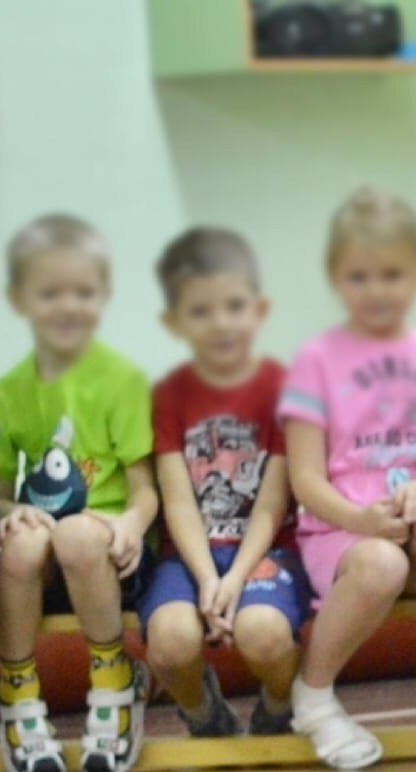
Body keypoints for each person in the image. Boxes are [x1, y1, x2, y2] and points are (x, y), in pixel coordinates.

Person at [278, 189, 416, 769]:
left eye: (391, 275)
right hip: (341, 531)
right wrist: (359, 520)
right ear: (336, 277)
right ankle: (314, 697)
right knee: (381, 562)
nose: (376, 290)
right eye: (359, 277)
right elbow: (304, 478)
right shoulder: (315, 361)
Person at [0, 213, 155, 772]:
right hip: (42, 562)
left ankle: (113, 677)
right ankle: (15, 687)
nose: (67, 306)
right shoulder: (5, 395)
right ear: (17, 299)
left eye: (82, 292)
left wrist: (132, 523)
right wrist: (14, 514)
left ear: (103, 295)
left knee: (78, 532)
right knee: (21, 542)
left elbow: (146, 490)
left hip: (107, 554)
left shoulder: (122, 381)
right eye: (49, 293)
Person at [142, 228, 309, 741]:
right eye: (201, 311)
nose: (220, 323)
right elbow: (178, 502)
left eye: (234, 306)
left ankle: (278, 703)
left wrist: (233, 578)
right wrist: (207, 577)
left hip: (265, 552)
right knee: (169, 643)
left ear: (259, 310)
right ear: (174, 322)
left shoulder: (284, 388)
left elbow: (270, 503)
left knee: (262, 634)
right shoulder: (168, 395)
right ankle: (201, 711)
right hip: (189, 554)